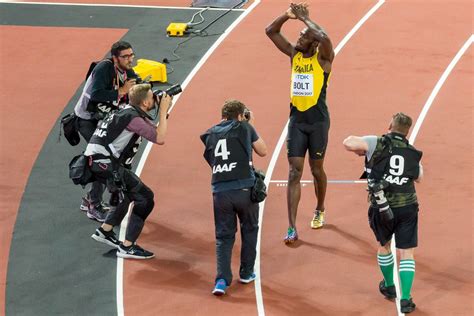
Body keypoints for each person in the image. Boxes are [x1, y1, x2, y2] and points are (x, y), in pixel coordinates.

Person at [265, 3, 335, 243]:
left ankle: (320, 208)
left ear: (313, 43)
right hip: (296, 121)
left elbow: (324, 36)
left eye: (303, 36)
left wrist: (306, 20)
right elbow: (270, 31)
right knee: (294, 172)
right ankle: (292, 227)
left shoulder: (324, 59)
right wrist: (288, 15)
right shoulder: (294, 55)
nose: (298, 38)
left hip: (318, 122)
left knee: (316, 170)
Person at [343, 113, 423, 313]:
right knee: (407, 253)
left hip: (382, 206)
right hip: (408, 207)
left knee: (384, 246)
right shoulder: (412, 152)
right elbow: (419, 176)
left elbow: (349, 143)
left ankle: (389, 286)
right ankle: (406, 299)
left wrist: (366, 152)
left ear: (390, 125)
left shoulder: (375, 142)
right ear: (407, 131)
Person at [87, 83, 172, 259]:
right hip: (106, 163)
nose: (154, 100)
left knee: (126, 195)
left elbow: (152, 128)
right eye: (151, 98)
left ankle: (105, 230)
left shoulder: (126, 110)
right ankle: (127, 247)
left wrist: (163, 112)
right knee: (145, 198)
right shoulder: (133, 118)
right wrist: (163, 111)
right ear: (145, 103)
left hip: (97, 161)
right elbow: (160, 137)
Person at [200, 100, 267, 296]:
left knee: (223, 236)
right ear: (240, 115)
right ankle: (246, 272)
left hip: (220, 191)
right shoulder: (245, 127)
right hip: (244, 189)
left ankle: (221, 280)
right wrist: (250, 123)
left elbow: (212, 160)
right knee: (250, 230)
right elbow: (262, 150)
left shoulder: (210, 134)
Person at [74, 41, 138, 222]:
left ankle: (89, 200)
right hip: (86, 120)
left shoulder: (125, 70)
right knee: (102, 160)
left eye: (131, 55)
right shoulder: (104, 68)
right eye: (125, 56)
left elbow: (136, 82)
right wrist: (121, 91)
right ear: (115, 58)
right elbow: (96, 94)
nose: (130, 59)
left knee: (109, 158)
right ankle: (93, 205)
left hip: (103, 119)